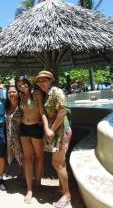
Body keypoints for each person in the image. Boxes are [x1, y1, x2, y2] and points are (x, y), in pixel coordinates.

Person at [35, 71, 72, 208]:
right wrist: (47, 128)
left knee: (58, 163)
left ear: (51, 80)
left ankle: (67, 195)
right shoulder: (46, 94)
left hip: (61, 131)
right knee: (60, 163)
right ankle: (62, 189)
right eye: (39, 81)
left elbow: (62, 112)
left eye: (44, 80)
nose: (41, 83)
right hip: (54, 131)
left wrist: (51, 129)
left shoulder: (56, 92)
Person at [15, 76, 48, 204]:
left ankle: (38, 182)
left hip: (36, 128)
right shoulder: (20, 96)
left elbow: (42, 111)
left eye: (23, 84)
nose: (22, 87)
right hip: (24, 128)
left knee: (39, 156)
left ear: (27, 83)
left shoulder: (37, 93)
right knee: (27, 158)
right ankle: (29, 189)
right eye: (19, 85)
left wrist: (46, 127)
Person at [5, 83, 23, 172]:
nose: (11, 94)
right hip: (10, 136)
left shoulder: (22, 105)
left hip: (21, 135)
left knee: (23, 155)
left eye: (14, 92)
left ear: (18, 93)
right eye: (9, 92)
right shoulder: (6, 106)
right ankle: (21, 173)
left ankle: (25, 175)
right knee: (16, 155)